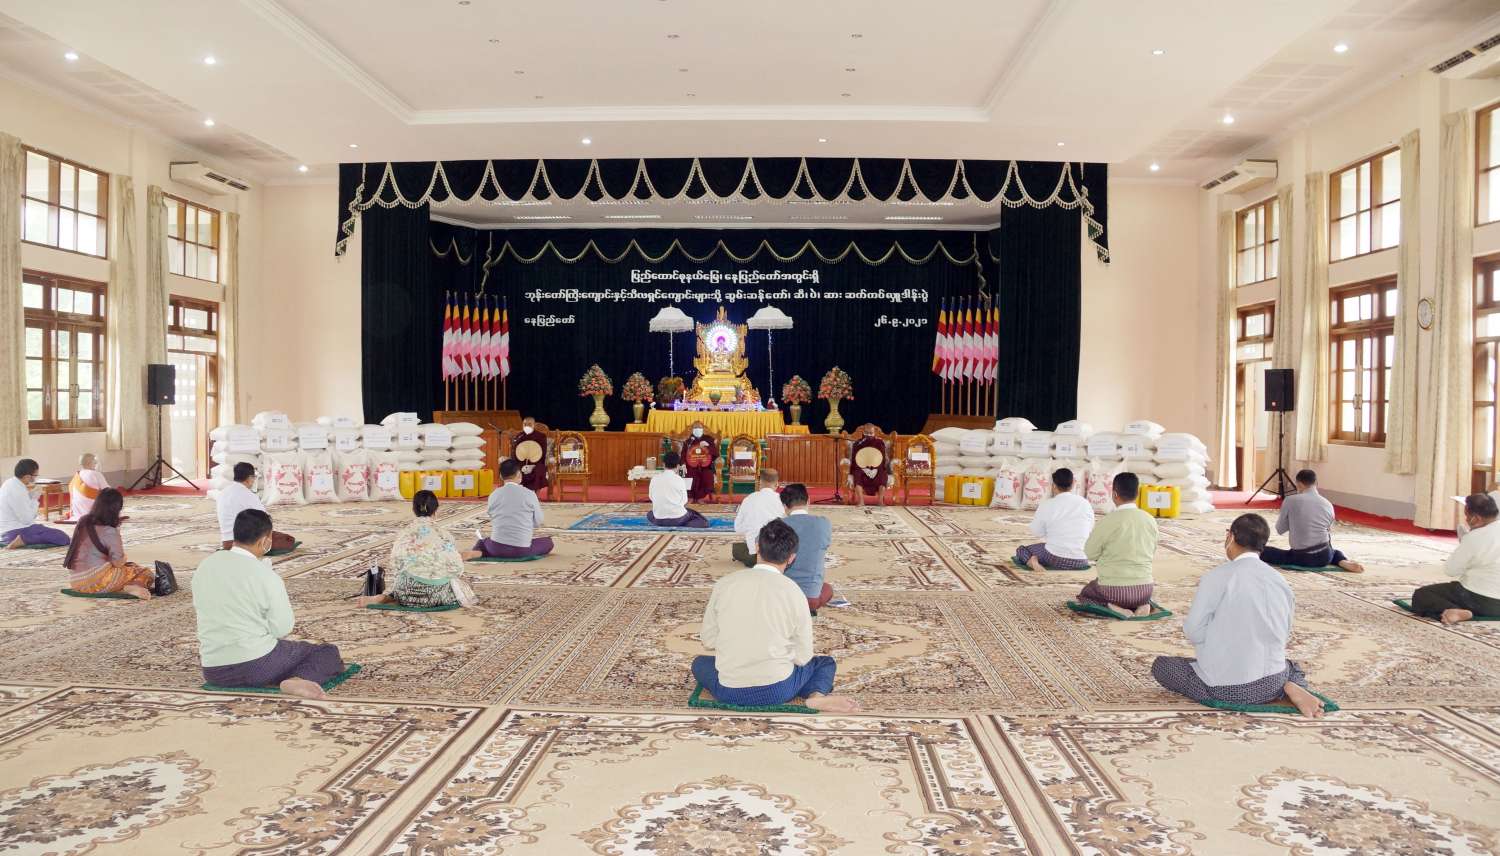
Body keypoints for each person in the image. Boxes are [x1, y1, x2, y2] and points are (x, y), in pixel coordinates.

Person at [1151, 513, 1326, 717]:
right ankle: (1292, 685)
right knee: (1292, 666)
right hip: (1273, 682)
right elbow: (1284, 633)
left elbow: (1193, 631)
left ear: (1231, 537)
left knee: (1162, 666)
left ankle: (1248, 683)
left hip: (1225, 689)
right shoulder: (1280, 581)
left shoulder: (1216, 577)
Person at [691, 519, 861, 713]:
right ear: (791, 558)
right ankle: (815, 697)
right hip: (777, 691)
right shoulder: (794, 592)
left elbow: (709, 640)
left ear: (757, 547)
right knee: (824, 664)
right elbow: (803, 657)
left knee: (699, 663)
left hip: (729, 690)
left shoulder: (725, 584)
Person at [193, 509, 346, 698]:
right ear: (265, 541)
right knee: (327, 652)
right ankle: (296, 680)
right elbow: (282, 628)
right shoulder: (265, 574)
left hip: (214, 670)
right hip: (257, 666)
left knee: (281, 651)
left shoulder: (205, 565)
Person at [362, 490, 478, 608]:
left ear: (414, 510)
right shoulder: (444, 534)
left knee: (403, 578)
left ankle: (387, 597)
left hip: (405, 593)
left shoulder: (404, 533)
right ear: (436, 510)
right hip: (434, 597)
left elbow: (395, 564)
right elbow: (457, 568)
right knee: (464, 587)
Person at [1409, 493, 1500, 624]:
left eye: (1467, 516)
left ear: (1476, 518)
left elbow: (1451, 570)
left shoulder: (1474, 537)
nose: (1466, 520)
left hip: (1480, 601)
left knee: (1422, 595)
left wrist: (1467, 541)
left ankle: (1457, 611)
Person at [1079, 473, 1159, 617]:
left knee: (1086, 594)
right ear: (1137, 493)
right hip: (1145, 590)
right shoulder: (1150, 520)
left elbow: (1089, 553)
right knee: (1134, 592)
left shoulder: (1107, 521)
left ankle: (1113, 607)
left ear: (1114, 494)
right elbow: (1152, 551)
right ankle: (1144, 604)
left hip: (1113, 590)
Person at [1259, 469, 1364, 573]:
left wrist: (1294, 520)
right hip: (1325, 556)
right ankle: (1342, 561)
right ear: (1316, 483)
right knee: (1335, 552)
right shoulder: (1328, 504)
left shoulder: (1290, 500)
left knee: (1264, 551)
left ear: (1299, 484)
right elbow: (1328, 529)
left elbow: (1280, 529)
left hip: (1301, 558)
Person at [62, 487, 154, 599]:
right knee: (145, 573)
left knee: (130, 567)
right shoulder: (110, 530)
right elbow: (118, 562)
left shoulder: (83, 520)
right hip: (97, 582)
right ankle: (131, 587)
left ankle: (126, 586)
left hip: (75, 581)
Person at [1015, 468, 1094, 571]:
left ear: (1053, 486)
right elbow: (1090, 529)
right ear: (1073, 484)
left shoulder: (1047, 504)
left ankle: (1032, 562)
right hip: (1082, 559)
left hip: (1054, 558)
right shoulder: (1085, 503)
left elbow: (1037, 532)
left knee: (1021, 550)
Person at [474, 459, 555, 558]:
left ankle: (477, 552)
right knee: (548, 542)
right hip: (521, 550)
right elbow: (538, 521)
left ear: (501, 476)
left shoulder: (494, 494)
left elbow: (492, 516)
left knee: (482, 542)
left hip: (496, 548)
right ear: (519, 474)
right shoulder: (529, 494)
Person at [779, 483, 836, 612]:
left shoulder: (777, 525)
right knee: (828, 589)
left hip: (782, 597)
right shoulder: (823, 523)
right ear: (808, 501)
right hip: (810, 599)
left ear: (784, 506)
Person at [215, 463, 296, 552]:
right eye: (254, 477)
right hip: (243, 543)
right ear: (249, 478)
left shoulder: (223, 493)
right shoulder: (248, 495)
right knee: (288, 540)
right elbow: (266, 520)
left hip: (226, 543)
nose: (254, 481)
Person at [0, 459, 70, 548]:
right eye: (35, 475)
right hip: (15, 532)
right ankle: (23, 540)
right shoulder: (18, 491)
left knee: (44, 530)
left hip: (6, 532)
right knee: (62, 537)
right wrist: (34, 499)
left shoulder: (9, 483)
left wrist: (30, 496)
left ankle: (24, 538)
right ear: (27, 476)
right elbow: (27, 520)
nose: (35, 478)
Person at [732, 469, 782, 566]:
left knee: (738, 548)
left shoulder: (749, 499)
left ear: (759, 483)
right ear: (777, 484)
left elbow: (738, 528)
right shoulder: (782, 500)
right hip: (778, 557)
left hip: (755, 557)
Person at [647, 452, 710, 527]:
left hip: (658, 519)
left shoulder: (654, 479)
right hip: (677, 518)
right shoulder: (679, 480)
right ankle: (684, 524)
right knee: (697, 517)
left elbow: (651, 497)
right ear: (677, 466)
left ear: (663, 464)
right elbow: (684, 501)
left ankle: (670, 522)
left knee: (650, 514)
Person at [847, 425, 891, 507]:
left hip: (876, 467)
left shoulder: (879, 442)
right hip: (861, 467)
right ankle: (861, 501)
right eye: (867, 433)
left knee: (883, 474)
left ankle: (880, 501)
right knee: (857, 474)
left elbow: (882, 458)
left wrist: (876, 469)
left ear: (874, 433)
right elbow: (855, 458)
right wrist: (864, 468)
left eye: (871, 433)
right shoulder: (857, 443)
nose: (869, 435)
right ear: (863, 432)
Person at [681, 422, 718, 503]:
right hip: (691, 465)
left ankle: (701, 497)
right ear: (693, 430)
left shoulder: (708, 439)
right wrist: (683, 464)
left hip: (705, 465)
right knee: (689, 473)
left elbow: (715, 453)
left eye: (699, 428)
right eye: (695, 428)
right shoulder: (689, 441)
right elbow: (683, 454)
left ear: (702, 429)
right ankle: (690, 496)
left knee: (707, 475)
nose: (698, 429)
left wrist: (707, 446)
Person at [511, 417, 549, 494]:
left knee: (538, 469)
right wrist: (520, 465)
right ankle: (520, 493)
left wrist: (533, 465)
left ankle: (535, 495)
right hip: (521, 461)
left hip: (536, 462)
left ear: (533, 425)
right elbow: (515, 451)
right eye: (525, 424)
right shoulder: (519, 436)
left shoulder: (541, 436)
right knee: (517, 469)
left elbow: (543, 452)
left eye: (529, 424)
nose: (527, 426)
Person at [69, 453, 110, 520]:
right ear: (90, 463)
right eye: (95, 462)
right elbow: (108, 491)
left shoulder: (77, 475)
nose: (96, 463)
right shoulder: (96, 474)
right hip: (93, 513)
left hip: (77, 514)